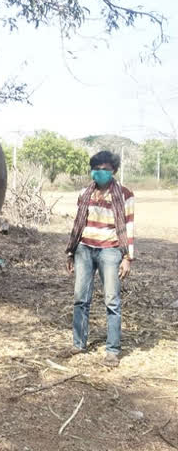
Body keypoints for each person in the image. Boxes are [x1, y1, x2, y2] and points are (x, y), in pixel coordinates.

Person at [63, 150, 134, 367]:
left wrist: (127, 258)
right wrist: (70, 251)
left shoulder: (125, 195)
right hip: (84, 249)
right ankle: (78, 343)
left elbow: (129, 226)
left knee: (112, 301)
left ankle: (112, 350)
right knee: (80, 299)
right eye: (96, 169)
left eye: (105, 169)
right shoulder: (85, 193)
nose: (100, 173)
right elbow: (78, 224)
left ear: (113, 170)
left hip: (110, 251)